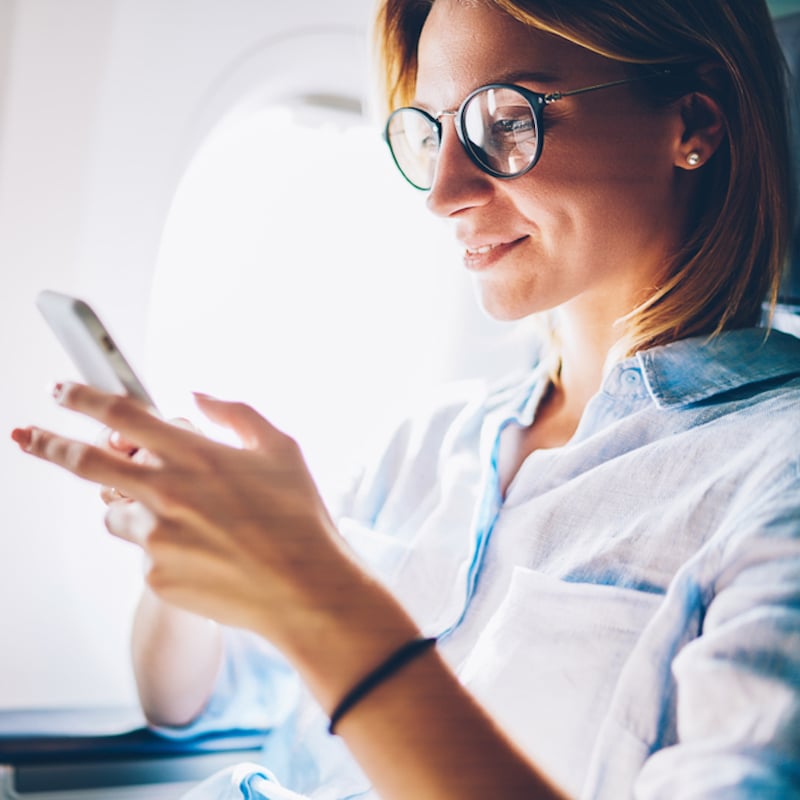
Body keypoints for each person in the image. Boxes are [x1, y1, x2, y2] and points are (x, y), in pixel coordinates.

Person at [11, 0, 800, 797]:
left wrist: (325, 601)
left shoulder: (776, 472)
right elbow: (189, 702)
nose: (444, 191)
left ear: (694, 123)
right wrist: (186, 538)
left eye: (507, 121)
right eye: (433, 134)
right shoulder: (430, 445)